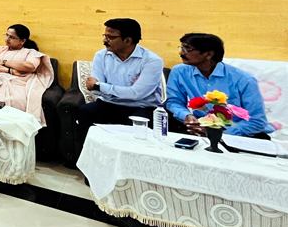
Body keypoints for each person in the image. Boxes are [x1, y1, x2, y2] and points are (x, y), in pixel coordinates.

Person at [76, 18, 164, 147]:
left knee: (139, 129)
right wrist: (101, 87)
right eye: (105, 36)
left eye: (111, 37)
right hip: (108, 104)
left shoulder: (152, 61)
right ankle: (86, 157)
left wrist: (101, 86)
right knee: (86, 111)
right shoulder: (101, 55)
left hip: (140, 107)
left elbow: (136, 94)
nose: (105, 40)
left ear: (128, 40)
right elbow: (95, 89)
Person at [166, 33, 272, 139]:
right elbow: (174, 102)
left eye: (187, 49)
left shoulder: (244, 80)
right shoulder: (179, 71)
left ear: (208, 54)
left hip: (238, 133)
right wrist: (187, 116)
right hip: (200, 128)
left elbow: (257, 121)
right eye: (181, 48)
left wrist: (218, 134)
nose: (181, 53)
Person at [0, 24, 54, 125]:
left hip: (19, 84)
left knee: (14, 100)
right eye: (6, 35)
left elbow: (29, 66)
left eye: (11, 37)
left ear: (22, 41)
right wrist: (10, 71)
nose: (7, 39)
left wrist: (4, 62)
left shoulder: (31, 52)